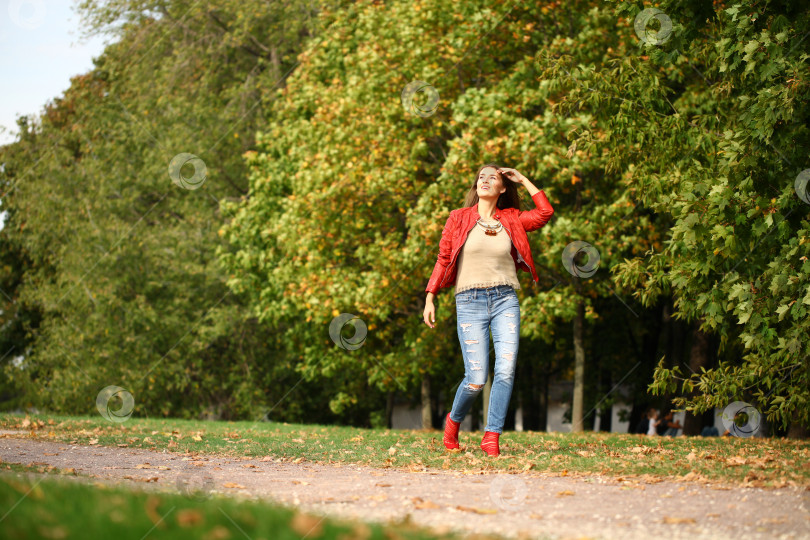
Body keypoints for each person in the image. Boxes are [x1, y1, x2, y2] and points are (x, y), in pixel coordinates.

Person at [423, 163, 554, 456]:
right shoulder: (458, 219)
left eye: (492, 177)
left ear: (502, 187)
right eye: (481, 177)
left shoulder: (512, 219)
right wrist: (430, 296)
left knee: (505, 371)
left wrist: (522, 178)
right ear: (476, 186)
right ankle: (453, 423)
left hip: (505, 299)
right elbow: (444, 258)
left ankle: (491, 436)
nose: (485, 180)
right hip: (469, 302)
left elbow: (545, 213)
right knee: (476, 378)